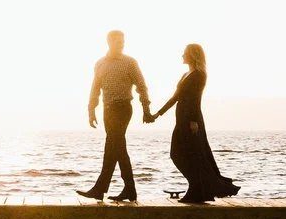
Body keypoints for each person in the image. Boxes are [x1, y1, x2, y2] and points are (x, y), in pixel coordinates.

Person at [146, 43, 239, 203]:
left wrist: (194, 121)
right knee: (178, 154)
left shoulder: (199, 74)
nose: (182, 56)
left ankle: (197, 190)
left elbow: (195, 99)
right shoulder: (185, 75)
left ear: (192, 55)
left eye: (184, 53)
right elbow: (175, 98)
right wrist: (157, 114)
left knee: (192, 155)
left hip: (191, 121)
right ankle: (197, 188)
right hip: (182, 119)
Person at [78, 30, 151, 203]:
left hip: (123, 108)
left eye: (123, 42)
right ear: (109, 42)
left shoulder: (129, 62)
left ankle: (101, 188)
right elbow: (95, 88)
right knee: (115, 148)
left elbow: (141, 85)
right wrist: (91, 110)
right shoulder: (100, 63)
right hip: (108, 110)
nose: (121, 44)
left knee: (113, 145)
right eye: (118, 41)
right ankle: (128, 189)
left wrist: (146, 108)